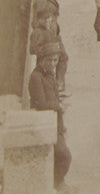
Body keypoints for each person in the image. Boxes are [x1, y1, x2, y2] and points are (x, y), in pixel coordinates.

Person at [28, 42, 72, 191]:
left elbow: (54, 95)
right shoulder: (36, 76)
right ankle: (58, 183)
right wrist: (58, 106)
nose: (53, 64)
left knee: (59, 155)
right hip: (44, 122)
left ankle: (56, 182)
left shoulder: (49, 73)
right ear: (42, 60)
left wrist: (62, 124)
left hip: (55, 122)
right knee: (65, 156)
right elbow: (40, 103)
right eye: (50, 60)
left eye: (55, 60)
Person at [32, 0, 69, 96]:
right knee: (49, 61)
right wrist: (45, 25)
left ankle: (57, 86)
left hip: (54, 35)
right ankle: (53, 89)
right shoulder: (40, 0)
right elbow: (34, 21)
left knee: (62, 57)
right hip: (47, 36)